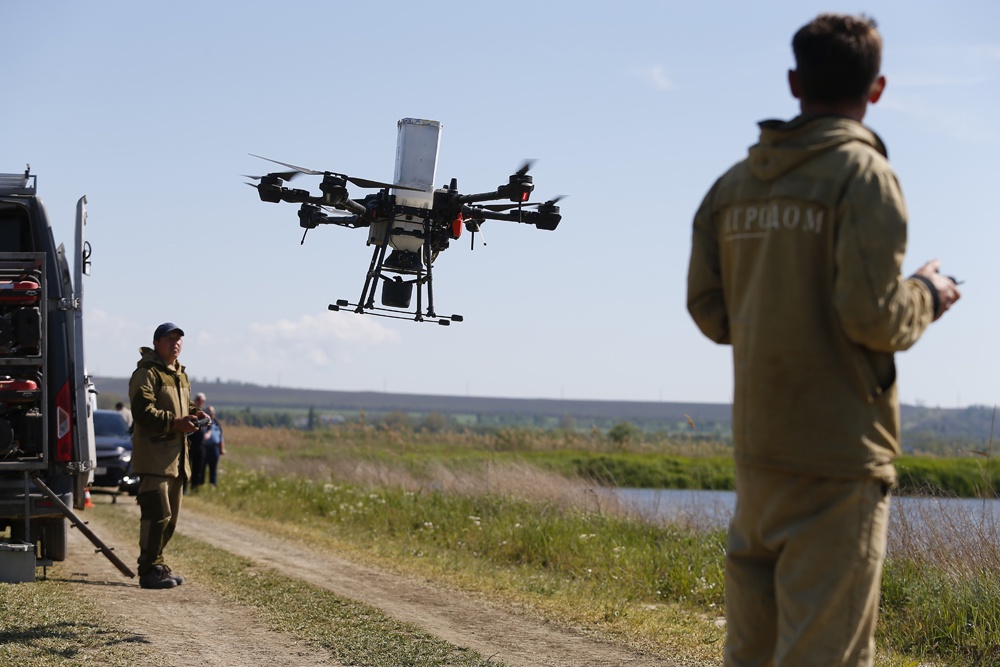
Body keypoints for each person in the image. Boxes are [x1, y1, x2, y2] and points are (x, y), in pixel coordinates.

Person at [686, 13, 960, 666]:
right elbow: (872, 316)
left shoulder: (734, 185)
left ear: (793, 82)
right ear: (878, 88)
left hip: (760, 454)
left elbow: (709, 310)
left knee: (750, 653)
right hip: (839, 459)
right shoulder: (864, 176)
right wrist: (929, 292)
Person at [128, 322, 208, 590]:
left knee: (171, 518)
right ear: (156, 343)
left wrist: (196, 414)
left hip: (176, 459)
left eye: (179, 339)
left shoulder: (179, 374)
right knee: (156, 514)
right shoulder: (147, 373)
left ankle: (157, 564)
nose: (175, 343)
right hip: (154, 458)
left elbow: (183, 406)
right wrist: (176, 423)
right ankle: (149, 569)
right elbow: (142, 412)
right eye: (169, 339)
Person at [197, 405, 225, 487]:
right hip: (204, 447)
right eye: (209, 412)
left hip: (214, 447)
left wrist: (221, 448)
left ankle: (213, 484)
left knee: (213, 467)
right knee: (202, 466)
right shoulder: (202, 422)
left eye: (212, 412)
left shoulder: (217, 424)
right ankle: (200, 483)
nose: (211, 414)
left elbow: (220, 437)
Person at [187, 392, 208, 492]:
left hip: (200, 444)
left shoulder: (203, 414)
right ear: (195, 401)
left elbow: (210, 426)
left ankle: (195, 488)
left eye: (202, 400)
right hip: (189, 443)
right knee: (186, 466)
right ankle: (183, 488)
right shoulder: (190, 412)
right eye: (198, 400)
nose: (200, 402)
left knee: (198, 467)